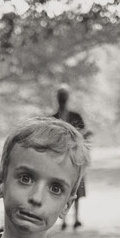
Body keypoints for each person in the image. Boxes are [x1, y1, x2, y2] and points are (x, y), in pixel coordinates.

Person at [51, 85, 89, 228]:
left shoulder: (58, 118)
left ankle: (71, 219)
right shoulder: (54, 118)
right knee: (66, 189)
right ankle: (67, 220)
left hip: (73, 158)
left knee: (72, 188)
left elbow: (83, 134)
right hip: (62, 160)